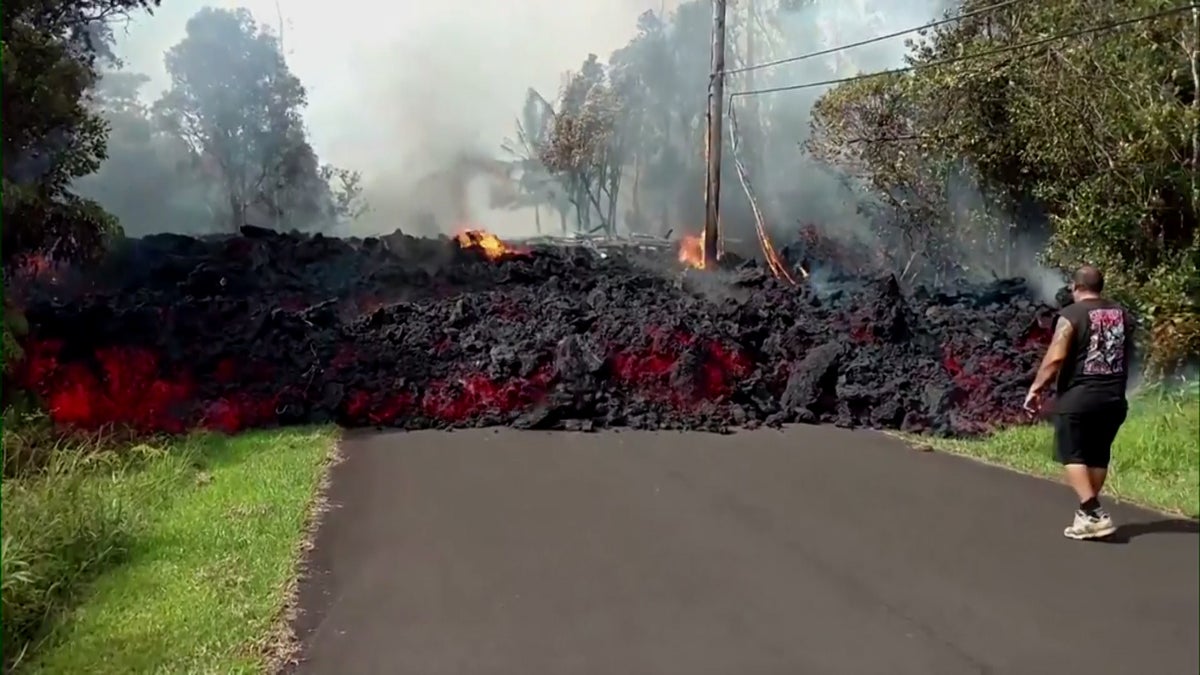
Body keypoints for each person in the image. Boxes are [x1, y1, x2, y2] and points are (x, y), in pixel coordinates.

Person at [1024, 265, 1134, 540]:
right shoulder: (1123, 314)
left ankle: (1094, 510)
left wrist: (1036, 389)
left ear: (1075, 287)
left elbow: (1055, 358)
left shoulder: (1071, 314)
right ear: (1101, 287)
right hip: (1114, 397)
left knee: (1071, 453)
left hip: (1080, 396)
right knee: (1097, 455)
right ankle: (1086, 518)